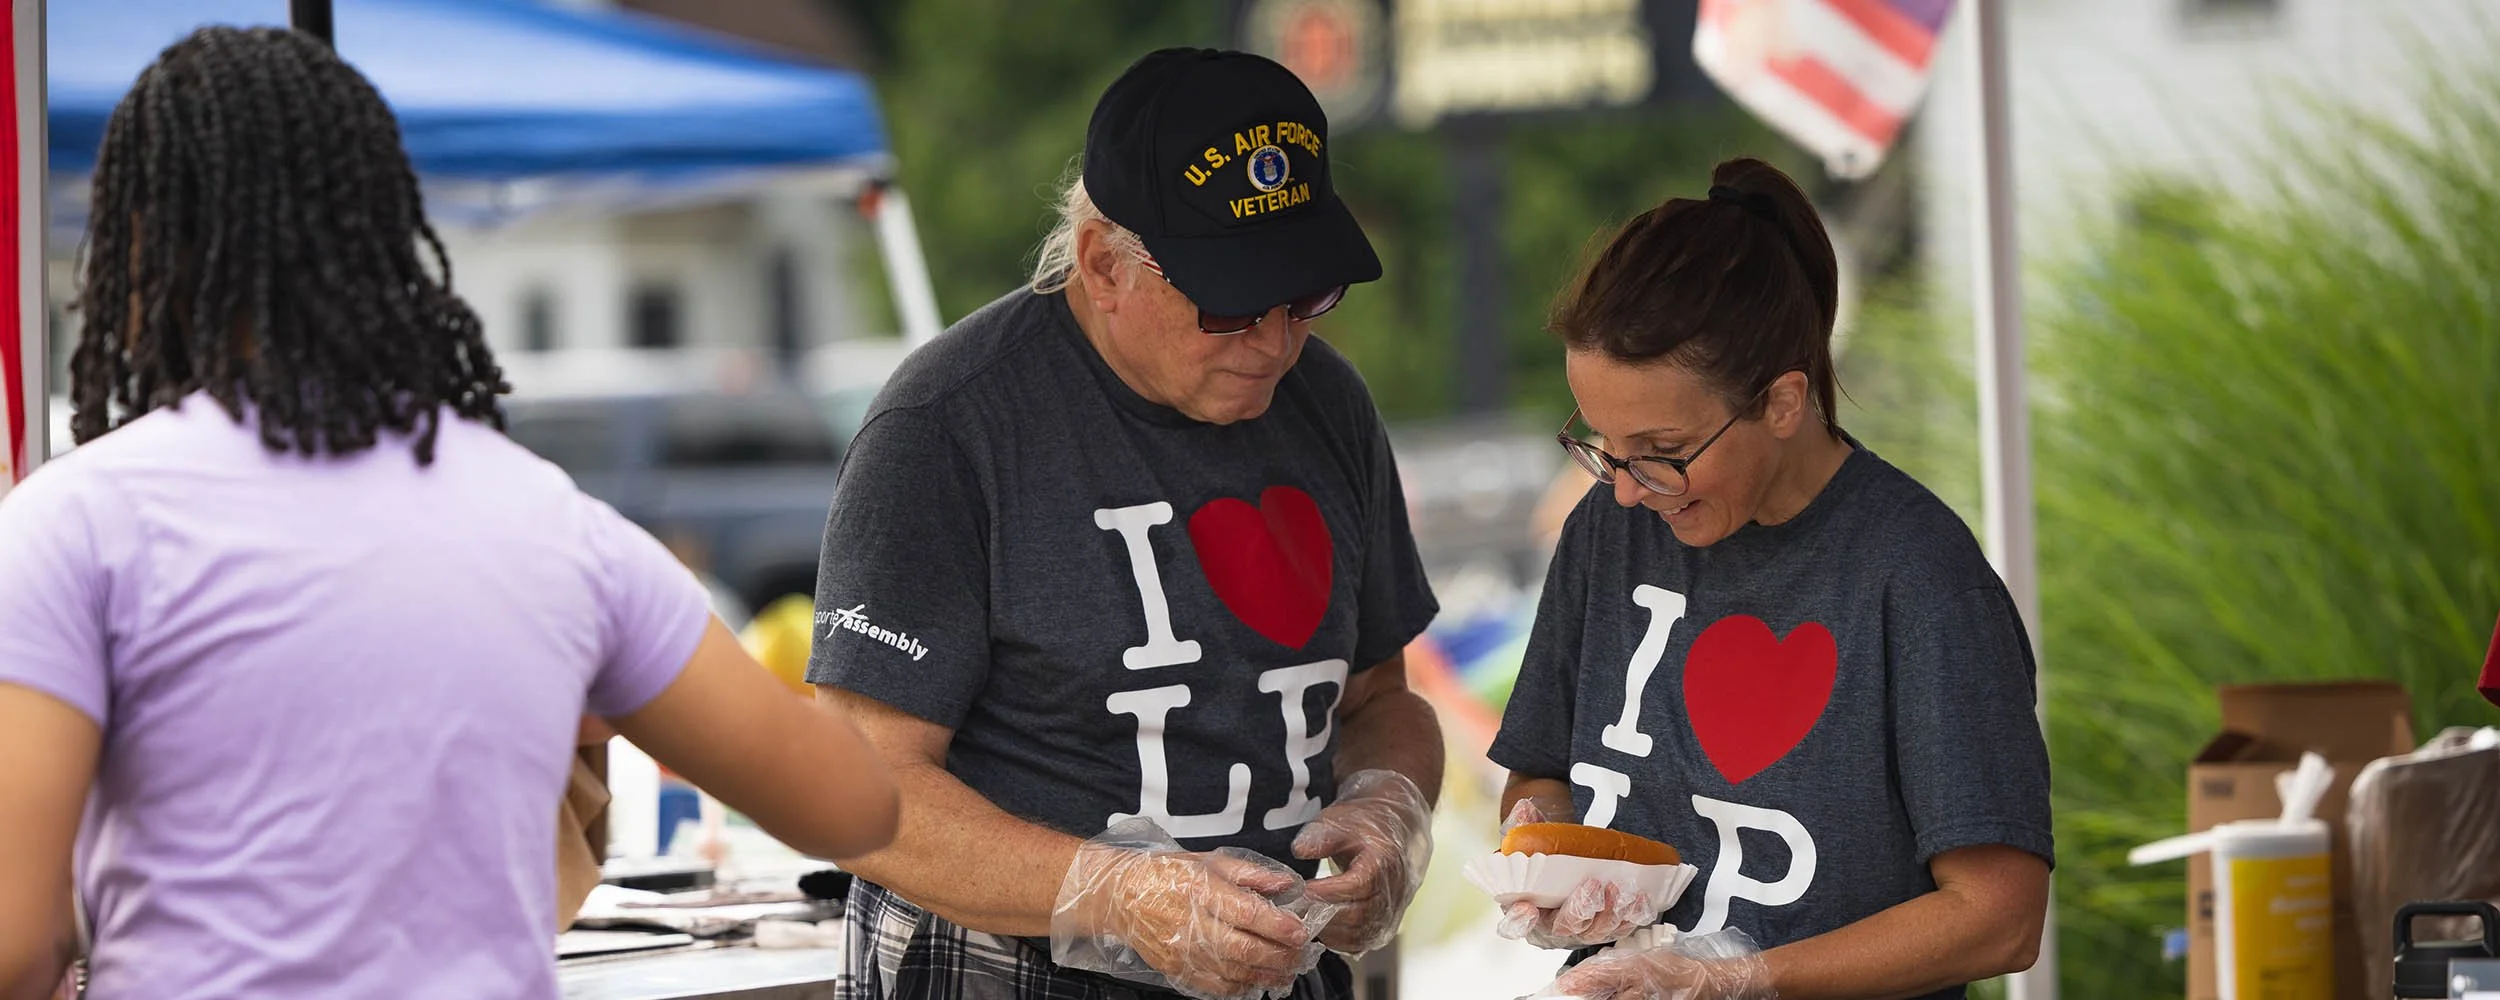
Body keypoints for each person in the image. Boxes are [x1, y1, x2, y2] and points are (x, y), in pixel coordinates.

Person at [0, 27, 899, 1000]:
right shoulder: (551, 521)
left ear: (138, 254)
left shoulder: (77, 522)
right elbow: (852, 805)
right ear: (383, 238)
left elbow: (17, 944)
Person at [809, 48, 1442, 1000]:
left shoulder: (1328, 405)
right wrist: (1114, 891)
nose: (1273, 341)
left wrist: (1388, 808)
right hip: (1003, 966)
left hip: (1272, 962)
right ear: (1106, 263)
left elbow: (1377, 698)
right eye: (1229, 305)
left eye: (1306, 296)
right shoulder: (947, 426)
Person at [1486, 158, 2053, 1000]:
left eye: (1663, 453)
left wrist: (1746, 980)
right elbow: (1541, 778)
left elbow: (2000, 915)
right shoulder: (1608, 529)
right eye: (1602, 445)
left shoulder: (1918, 577)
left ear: (1783, 403)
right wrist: (1545, 855)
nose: (1629, 488)